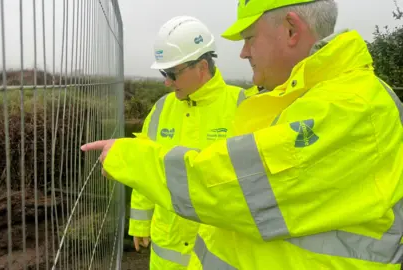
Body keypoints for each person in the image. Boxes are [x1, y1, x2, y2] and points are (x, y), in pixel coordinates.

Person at [82, 0, 403, 269]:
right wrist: (140, 221)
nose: (243, 53)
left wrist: (129, 158)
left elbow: (234, 190)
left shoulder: (345, 105)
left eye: (249, 38)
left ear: (291, 29)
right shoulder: (289, 101)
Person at [127, 15, 259, 269]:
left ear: (201, 67)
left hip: (220, 251)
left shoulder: (244, 106)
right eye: (164, 73)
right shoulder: (162, 109)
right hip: (168, 246)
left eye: (172, 73)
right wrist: (140, 223)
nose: (167, 82)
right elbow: (146, 167)